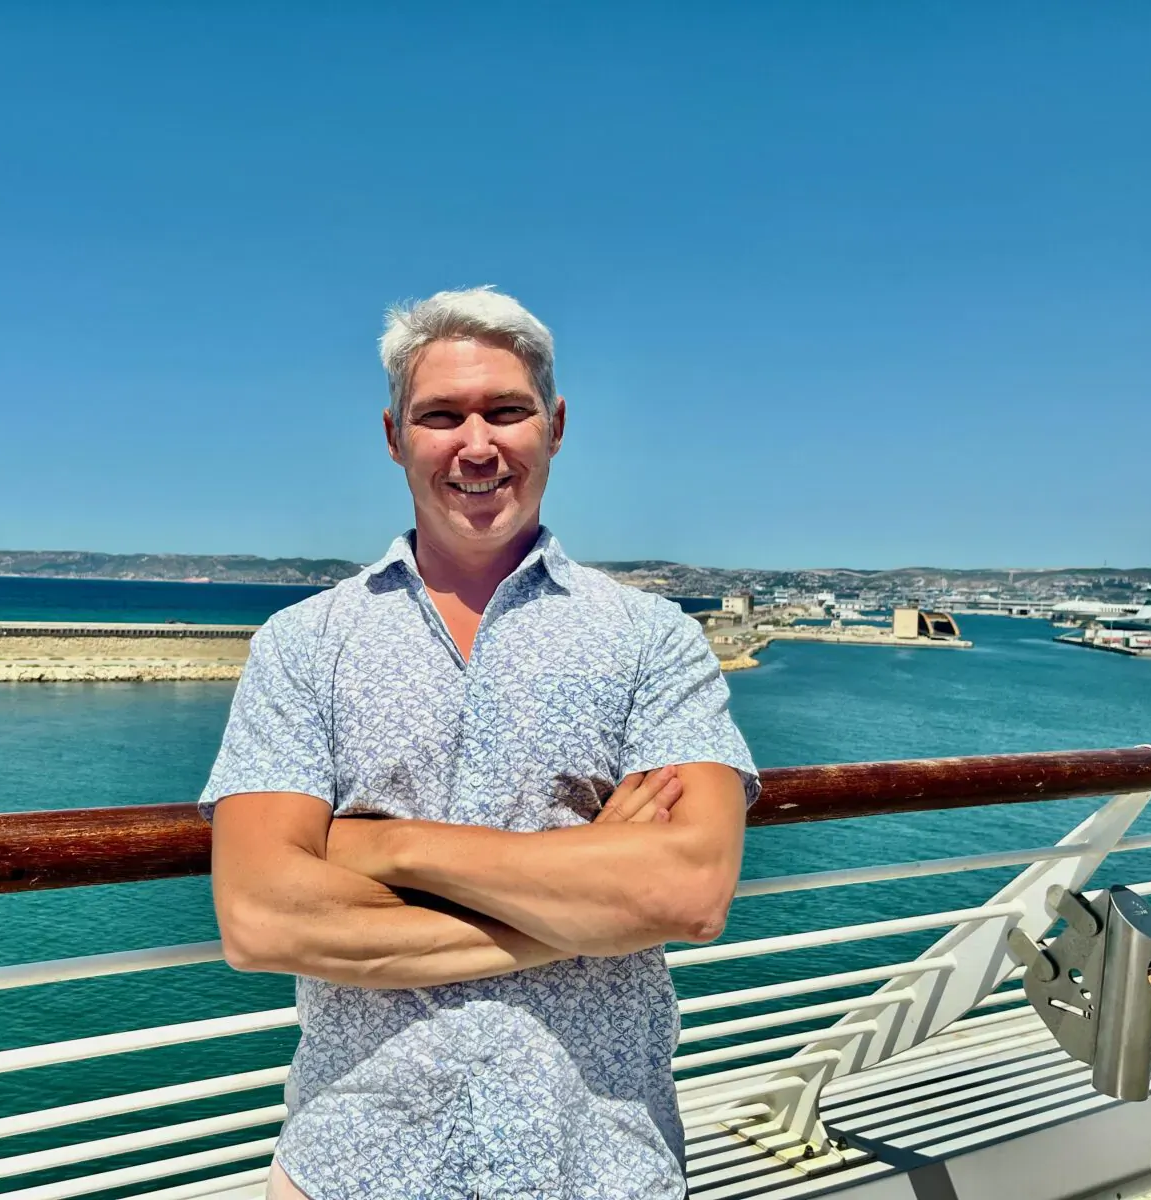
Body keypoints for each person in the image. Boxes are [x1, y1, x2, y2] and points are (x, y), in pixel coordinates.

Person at [200, 286, 758, 1200]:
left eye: (506, 411)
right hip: (354, 1167)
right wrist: (583, 905)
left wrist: (386, 846)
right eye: (440, 416)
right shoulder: (303, 644)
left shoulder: (653, 638)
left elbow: (688, 891)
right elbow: (262, 917)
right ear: (394, 437)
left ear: (555, 425)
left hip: (596, 1165)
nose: (476, 445)